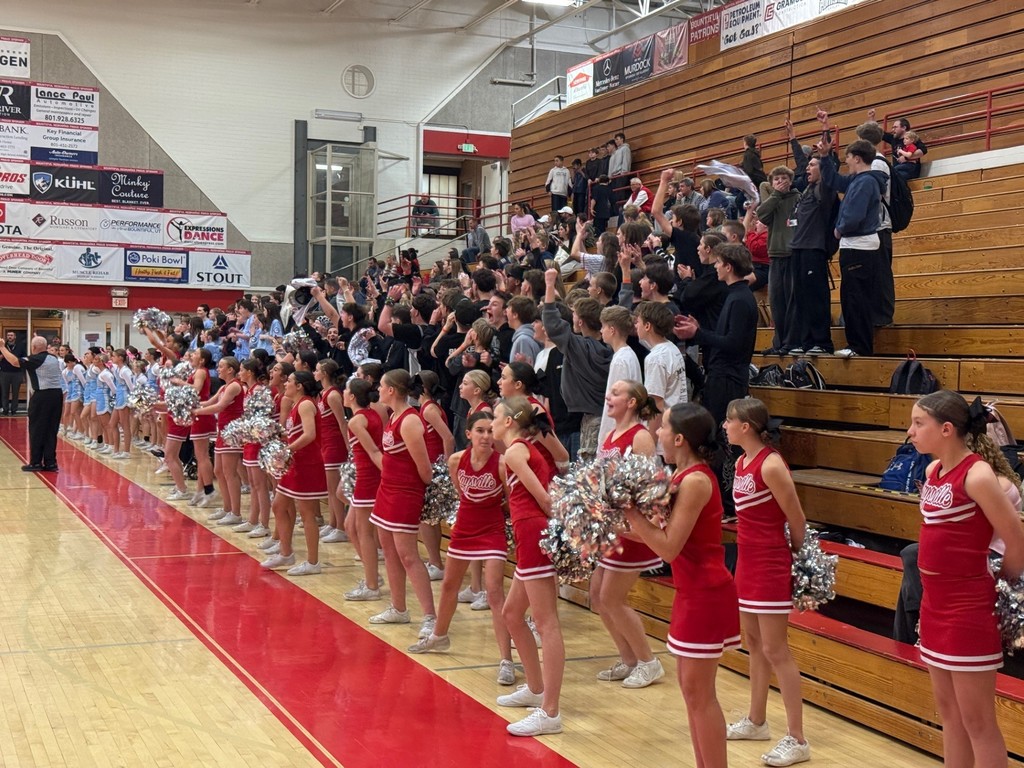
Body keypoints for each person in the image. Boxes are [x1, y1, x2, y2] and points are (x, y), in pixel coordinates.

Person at [908, 391, 1024, 768]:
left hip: (968, 608)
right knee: (949, 716)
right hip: (934, 605)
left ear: (945, 429)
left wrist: (999, 582)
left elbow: (1015, 538)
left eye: (918, 423)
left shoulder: (978, 474)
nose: (910, 431)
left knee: (978, 721)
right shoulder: (931, 471)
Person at [624, 403, 740, 768]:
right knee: (692, 694)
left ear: (678, 438)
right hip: (693, 592)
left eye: (662, 428)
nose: (656, 432)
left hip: (705, 594)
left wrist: (630, 512)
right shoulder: (681, 476)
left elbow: (669, 547)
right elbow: (661, 537)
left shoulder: (695, 481)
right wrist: (603, 523)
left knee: (699, 694)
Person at [724, 398, 811, 767]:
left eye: (730, 421)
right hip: (747, 561)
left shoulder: (771, 464)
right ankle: (757, 720)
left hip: (772, 564)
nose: (724, 426)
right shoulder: (742, 462)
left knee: (777, 650)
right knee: (754, 643)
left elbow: (798, 520)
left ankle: (798, 739)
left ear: (746, 425)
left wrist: (788, 557)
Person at [407, 412, 515, 684]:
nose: (486, 436)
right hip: (465, 528)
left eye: (491, 431)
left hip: (492, 530)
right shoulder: (456, 460)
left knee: (494, 592)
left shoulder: (502, 464)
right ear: (468, 434)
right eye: (480, 430)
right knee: (448, 586)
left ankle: (506, 660)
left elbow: (510, 501)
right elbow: (460, 492)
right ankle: (439, 636)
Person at [491, 396, 565, 737]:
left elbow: (545, 498)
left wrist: (565, 531)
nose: (491, 422)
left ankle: (549, 711)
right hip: (528, 535)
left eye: (495, 416)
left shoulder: (516, 452)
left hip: (534, 534)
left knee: (547, 623)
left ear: (509, 422)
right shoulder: (521, 450)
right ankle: (535, 688)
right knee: (511, 613)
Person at [591, 380, 664, 689]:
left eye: (616, 393)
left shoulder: (642, 437)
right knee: (597, 595)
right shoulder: (610, 435)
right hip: (611, 527)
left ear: (632, 402)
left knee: (611, 597)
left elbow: (646, 489)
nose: (609, 396)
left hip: (631, 529)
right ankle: (629, 659)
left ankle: (649, 662)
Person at [368, 370, 437, 637]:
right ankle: (398, 608)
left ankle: (430, 616)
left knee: (408, 555)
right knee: (389, 550)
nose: (379, 389)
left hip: (405, 494)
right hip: (387, 490)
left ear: (392, 390)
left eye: (382, 385)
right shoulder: (393, 416)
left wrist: (416, 492)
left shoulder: (409, 421)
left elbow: (425, 470)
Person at [261, 370, 328, 575]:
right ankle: (286, 552)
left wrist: (286, 450)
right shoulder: (295, 405)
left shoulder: (306, 404)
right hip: (295, 463)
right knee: (279, 505)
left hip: (307, 464)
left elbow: (310, 435)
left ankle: (313, 562)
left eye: (289, 381)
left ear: (299, 385)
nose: (286, 384)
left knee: (307, 514)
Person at [342, 377, 385, 602]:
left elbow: (374, 452)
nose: (343, 393)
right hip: (366, 476)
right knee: (350, 526)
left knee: (364, 532)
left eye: (346, 390)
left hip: (368, 478)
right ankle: (373, 577)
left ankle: (372, 585)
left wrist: (390, 476)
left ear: (352, 396)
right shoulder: (372, 414)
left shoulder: (356, 421)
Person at [1, 336, 63, 471]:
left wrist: (2, 348)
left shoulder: (37, 359)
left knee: (37, 429)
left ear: (34, 347)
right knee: (51, 430)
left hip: (42, 396)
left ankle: (35, 462)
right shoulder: (53, 358)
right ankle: (50, 463)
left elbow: (15, 362)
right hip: (56, 396)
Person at [0, 330, 25, 416]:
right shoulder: (2, 346)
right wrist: (2, 356)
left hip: (17, 372)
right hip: (4, 372)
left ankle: (14, 410)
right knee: (4, 392)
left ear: (15, 337)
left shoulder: (20, 346)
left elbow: (24, 358)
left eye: (11, 335)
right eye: (8, 335)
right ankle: (5, 409)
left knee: (15, 392)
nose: (9, 337)